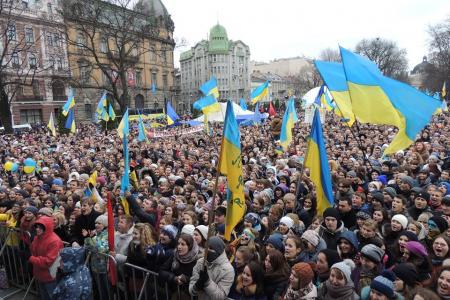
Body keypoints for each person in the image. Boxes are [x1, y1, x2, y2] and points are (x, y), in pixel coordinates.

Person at [29, 216, 64, 300]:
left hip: (50, 276)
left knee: (52, 296)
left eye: (41, 227)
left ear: (47, 227)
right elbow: (34, 251)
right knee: (44, 296)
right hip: (40, 273)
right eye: (36, 227)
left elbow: (48, 262)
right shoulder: (38, 237)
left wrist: (30, 258)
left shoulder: (54, 241)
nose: (37, 229)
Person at [159, 233, 199, 299]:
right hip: (173, 293)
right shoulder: (175, 255)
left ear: (190, 246)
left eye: (183, 244)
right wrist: (173, 278)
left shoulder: (197, 260)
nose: (179, 247)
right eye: (178, 244)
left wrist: (186, 279)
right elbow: (162, 271)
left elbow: (199, 280)